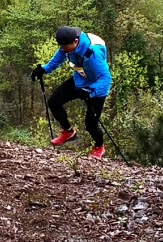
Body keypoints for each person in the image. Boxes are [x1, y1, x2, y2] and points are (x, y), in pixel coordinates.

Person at [31, 26, 112, 159]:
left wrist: (90, 92)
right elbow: (58, 59)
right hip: (80, 80)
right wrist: (44, 70)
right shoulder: (67, 45)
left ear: (75, 41)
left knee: (91, 125)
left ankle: (99, 146)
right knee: (54, 102)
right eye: (61, 46)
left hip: (97, 89)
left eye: (64, 47)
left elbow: (106, 78)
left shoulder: (93, 53)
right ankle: (69, 132)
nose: (62, 49)